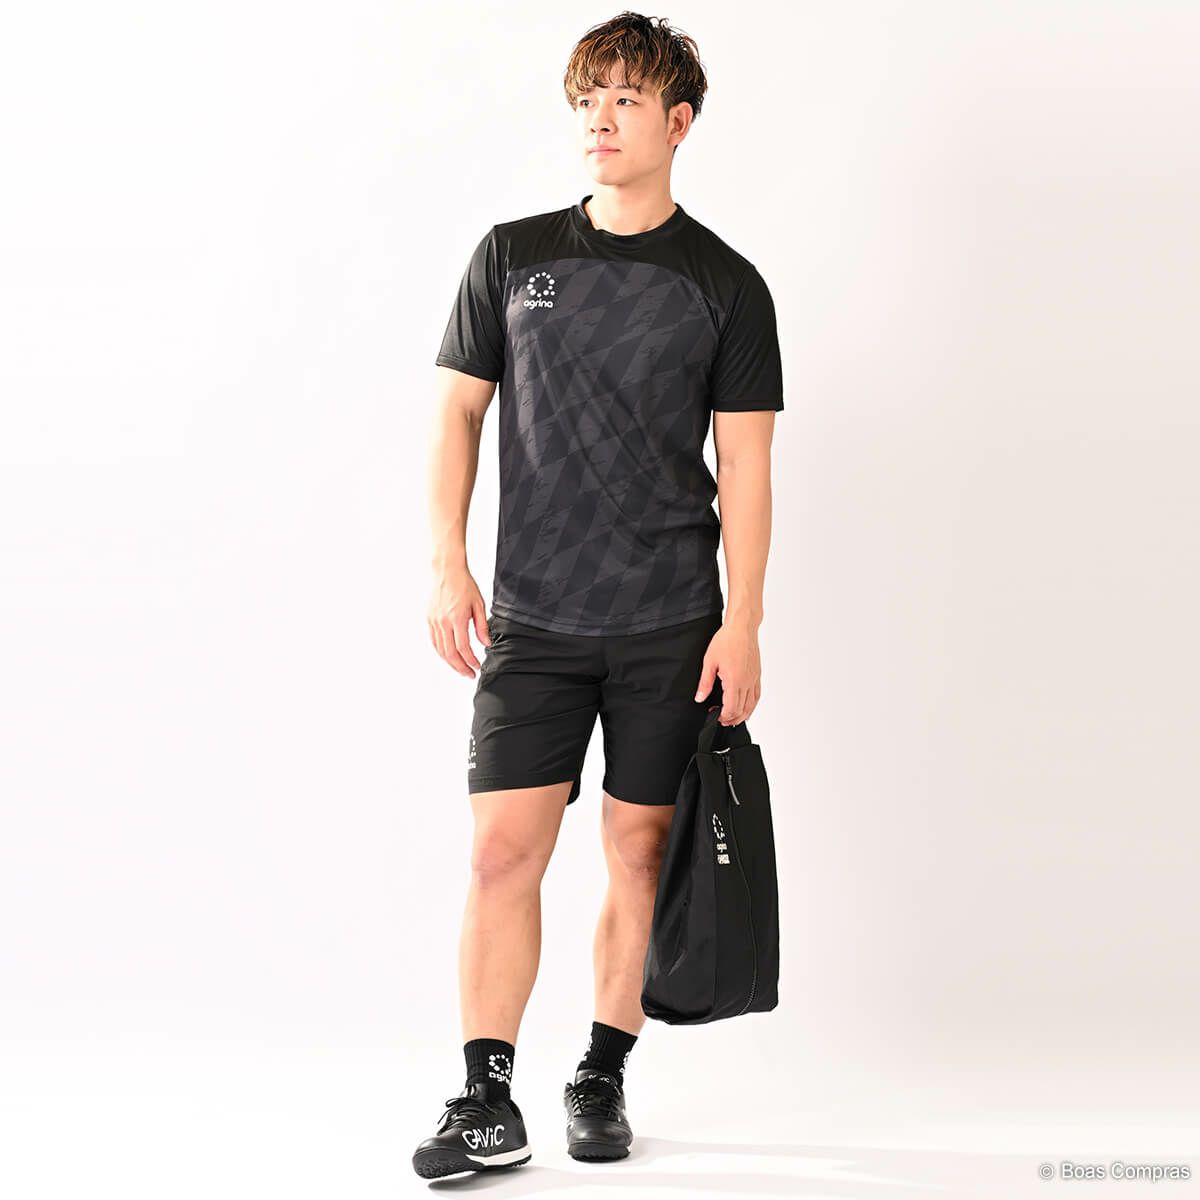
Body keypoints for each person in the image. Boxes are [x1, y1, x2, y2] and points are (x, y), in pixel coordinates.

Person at [413, 10, 784, 1180]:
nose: (600, 120)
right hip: (533, 619)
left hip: (669, 624)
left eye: (626, 99)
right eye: (588, 99)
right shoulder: (512, 257)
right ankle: (485, 1096)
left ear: (679, 122)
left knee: (637, 852)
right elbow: (456, 411)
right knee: (499, 855)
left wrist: (742, 621)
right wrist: (446, 560)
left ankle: (601, 1074)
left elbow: (749, 467)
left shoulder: (726, 285)